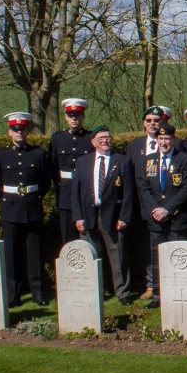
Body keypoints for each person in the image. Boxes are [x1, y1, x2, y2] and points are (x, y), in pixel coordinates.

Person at [0, 112, 51, 306]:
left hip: (32, 208)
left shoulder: (38, 154)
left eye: (22, 129)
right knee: (12, 253)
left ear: (28, 130)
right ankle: (13, 293)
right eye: (15, 129)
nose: (19, 132)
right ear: (9, 132)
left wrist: (35, 198)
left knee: (35, 253)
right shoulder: (1, 155)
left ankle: (37, 291)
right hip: (10, 209)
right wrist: (6, 200)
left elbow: (45, 182)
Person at [71, 125, 135, 305]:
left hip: (113, 216)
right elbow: (75, 192)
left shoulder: (121, 161)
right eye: (101, 139)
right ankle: (94, 290)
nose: (105, 141)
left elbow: (129, 192)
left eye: (108, 137)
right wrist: (78, 217)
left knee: (118, 255)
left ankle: (123, 293)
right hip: (88, 215)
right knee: (91, 254)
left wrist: (124, 217)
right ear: (93, 142)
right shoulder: (83, 162)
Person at [139, 122, 187, 307]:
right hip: (156, 219)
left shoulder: (184, 159)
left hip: (177, 218)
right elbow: (145, 188)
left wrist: (168, 209)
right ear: (156, 140)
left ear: (174, 139)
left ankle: (181, 293)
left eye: (167, 139)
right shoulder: (149, 160)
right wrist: (156, 210)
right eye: (161, 139)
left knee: (179, 259)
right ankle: (157, 297)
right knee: (157, 260)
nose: (164, 142)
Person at [128, 106, 169, 302]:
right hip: (142, 206)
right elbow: (130, 179)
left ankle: (168, 282)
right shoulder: (134, 146)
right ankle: (151, 284)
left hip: (165, 208)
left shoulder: (171, 143)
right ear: (144, 123)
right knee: (147, 247)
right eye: (149, 120)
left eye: (156, 120)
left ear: (162, 123)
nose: (153, 123)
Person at [49, 98, 94, 245]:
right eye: (71, 115)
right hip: (66, 194)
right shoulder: (57, 139)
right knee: (68, 239)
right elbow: (53, 167)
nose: (74, 118)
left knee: (89, 237)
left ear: (83, 116)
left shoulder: (91, 138)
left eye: (78, 115)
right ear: (66, 117)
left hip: (86, 192)